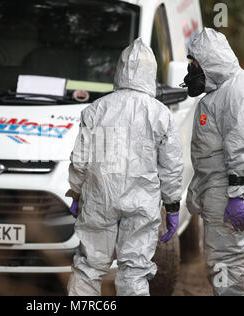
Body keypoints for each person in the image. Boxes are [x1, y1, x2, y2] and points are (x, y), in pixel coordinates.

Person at [66, 38, 184, 296]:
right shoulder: (161, 114)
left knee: (89, 267)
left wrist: (75, 193)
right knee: (134, 270)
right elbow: (172, 166)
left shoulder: (96, 109)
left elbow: (80, 159)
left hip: (99, 198)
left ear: (119, 70)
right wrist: (173, 206)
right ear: (151, 72)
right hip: (142, 201)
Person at [183, 28, 244, 296]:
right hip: (221, 188)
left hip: (229, 191)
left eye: (194, 64)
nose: (191, 70)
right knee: (220, 263)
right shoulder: (222, 90)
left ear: (209, 60)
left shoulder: (237, 93)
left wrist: (236, 196)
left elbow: (241, 149)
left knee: (225, 265)